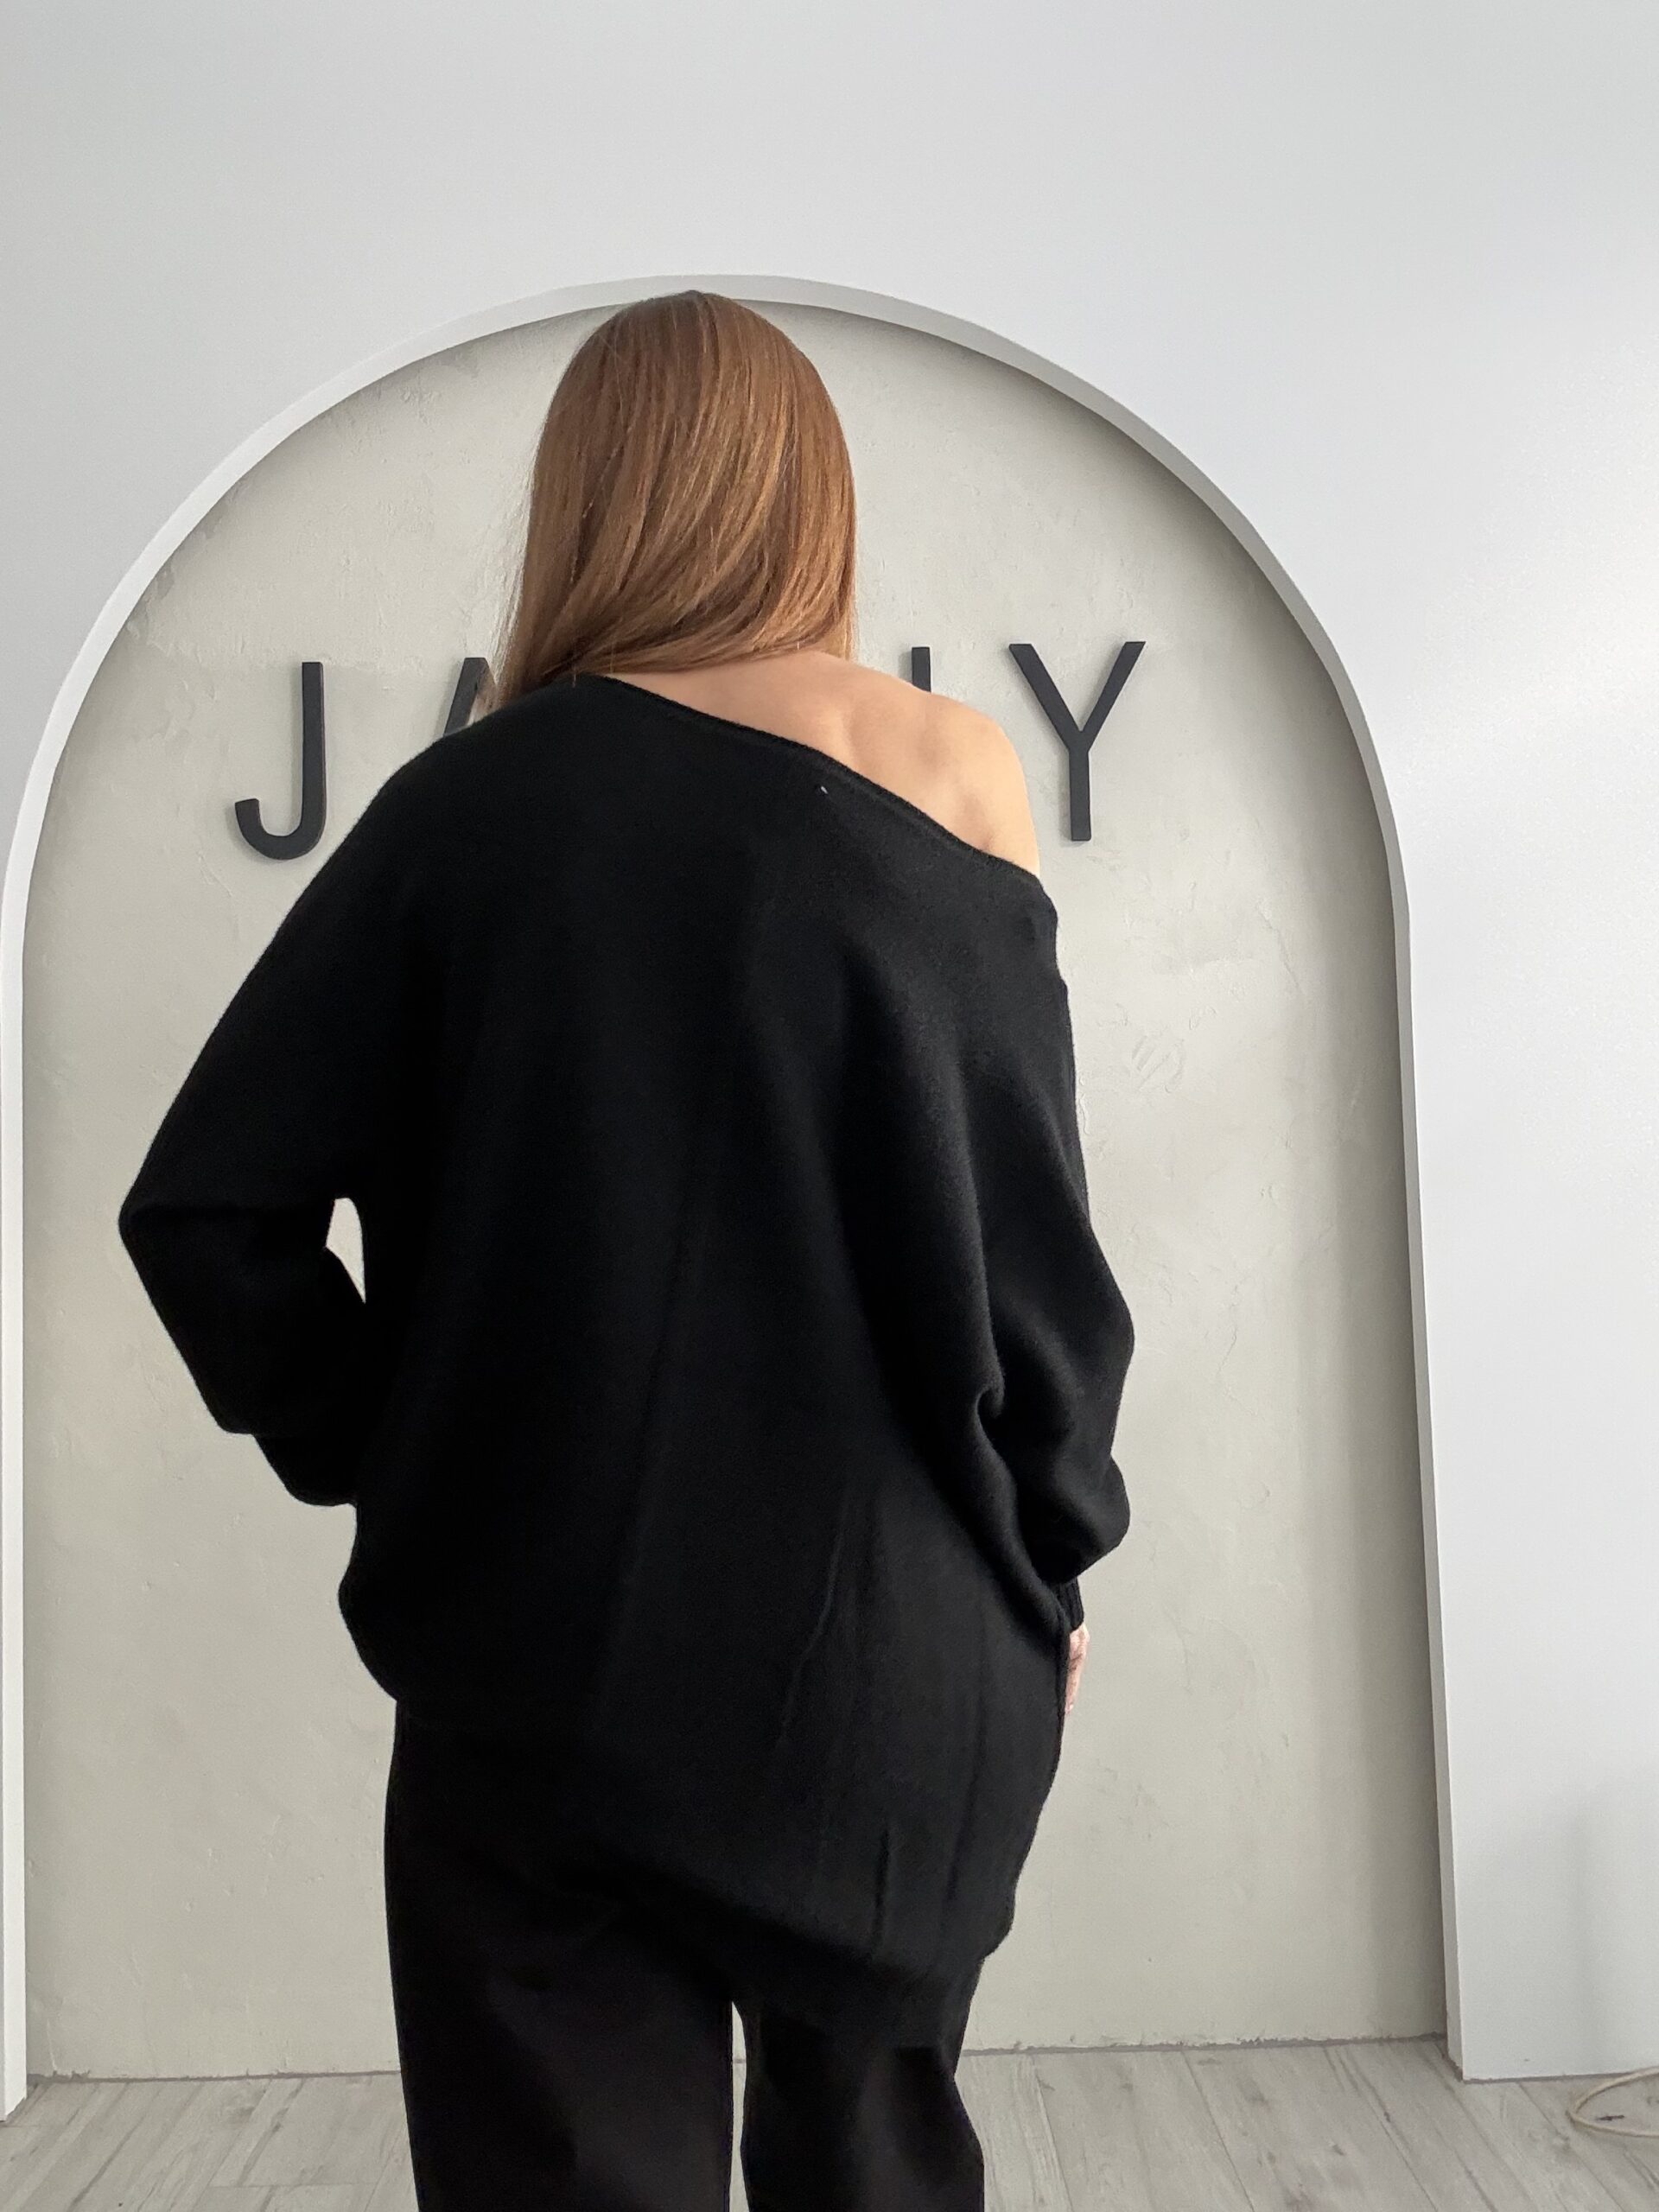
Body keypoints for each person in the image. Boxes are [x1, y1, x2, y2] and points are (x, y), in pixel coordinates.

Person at [117, 289, 1135, 2212]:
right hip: (898, 1648)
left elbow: (209, 1212)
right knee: (879, 2174)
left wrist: (402, 1447)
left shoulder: (461, 808)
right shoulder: (950, 771)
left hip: (542, 1652)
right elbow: (1035, 1254)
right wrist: (1054, 1553)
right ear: (810, 495)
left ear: (586, 498)